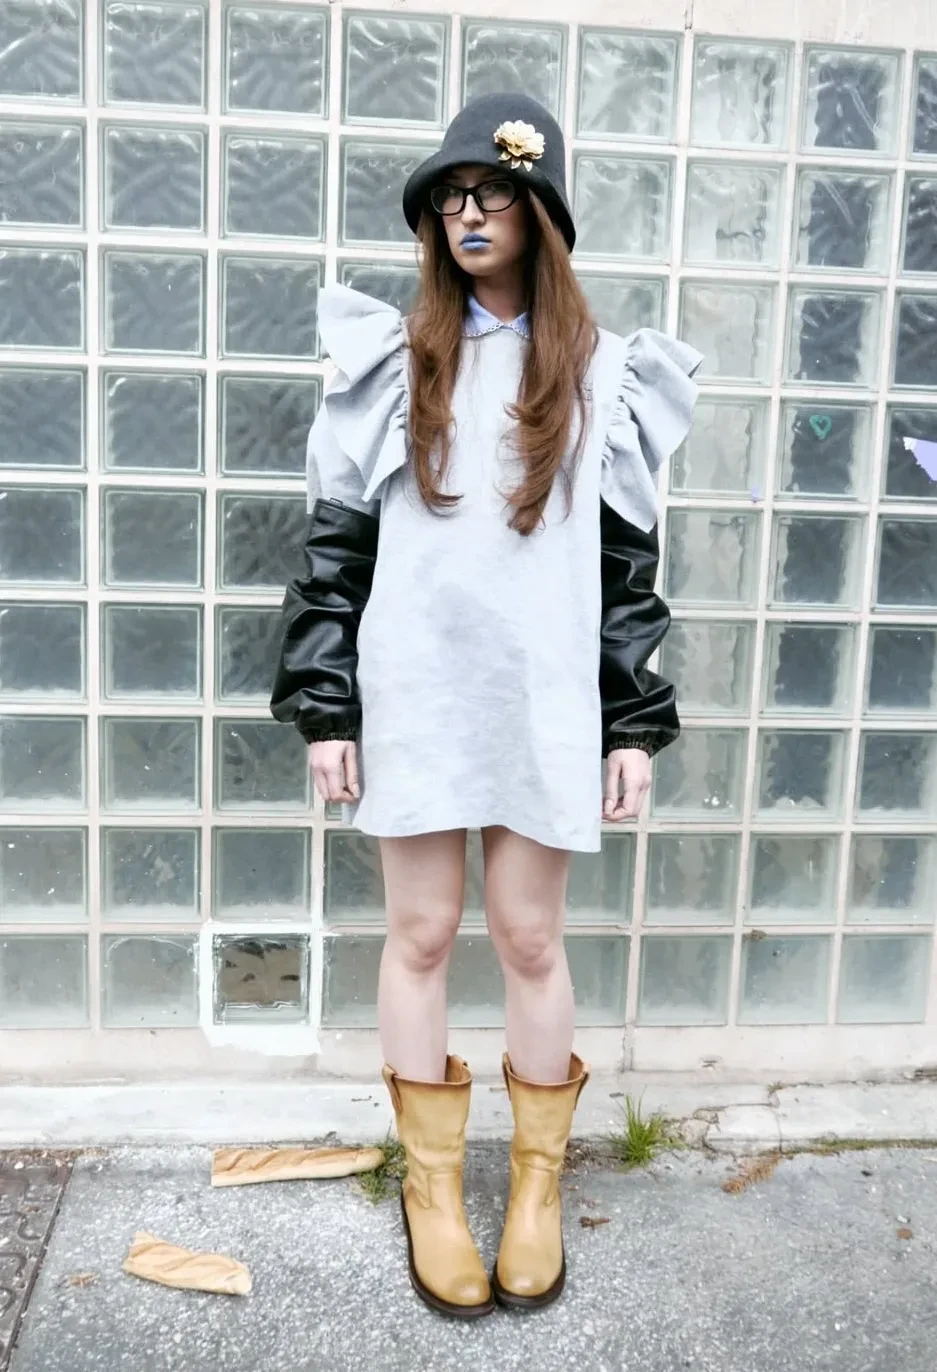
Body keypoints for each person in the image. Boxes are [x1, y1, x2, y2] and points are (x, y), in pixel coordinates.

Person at [270, 91, 702, 1319]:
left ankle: (535, 1190)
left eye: (494, 194)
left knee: (527, 936)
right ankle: (432, 1190)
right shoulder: (392, 359)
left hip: (540, 696)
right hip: (415, 692)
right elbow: (336, 548)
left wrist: (630, 721)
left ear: (538, 216)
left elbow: (624, 569)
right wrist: (328, 705)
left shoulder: (605, 375)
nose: (468, 215)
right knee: (419, 932)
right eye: (451, 197)